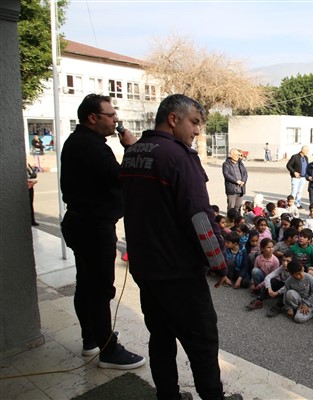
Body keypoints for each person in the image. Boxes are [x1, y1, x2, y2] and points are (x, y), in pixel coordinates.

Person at [120, 94, 240, 400]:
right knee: (202, 343)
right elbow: (200, 219)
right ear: (173, 119)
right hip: (177, 273)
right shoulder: (177, 157)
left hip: (146, 269)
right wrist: (220, 264)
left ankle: (168, 396)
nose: (198, 131)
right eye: (195, 122)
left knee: (160, 337)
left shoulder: (133, 152)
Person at [60, 94, 145, 369]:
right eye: (110, 115)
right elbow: (122, 177)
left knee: (86, 284)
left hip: (83, 224)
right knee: (99, 289)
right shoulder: (91, 146)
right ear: (92, 118)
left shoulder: (82, 142)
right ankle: (107, 349)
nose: (116, 119)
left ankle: (91, 339)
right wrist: (132, 149)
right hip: (92, 227)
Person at [222, 148, 248, 213]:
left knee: (238, 207)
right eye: (236, 155)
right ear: (231, 155)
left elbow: (245, 173)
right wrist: (236, 181)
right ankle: (230, 221)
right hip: (232, 189)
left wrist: (243, 181)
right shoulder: (226, 164)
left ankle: (238, 221)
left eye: (239, 155)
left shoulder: (240, 163)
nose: (238, 156)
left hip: (241, 188)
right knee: (231, 207)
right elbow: (226, 175)